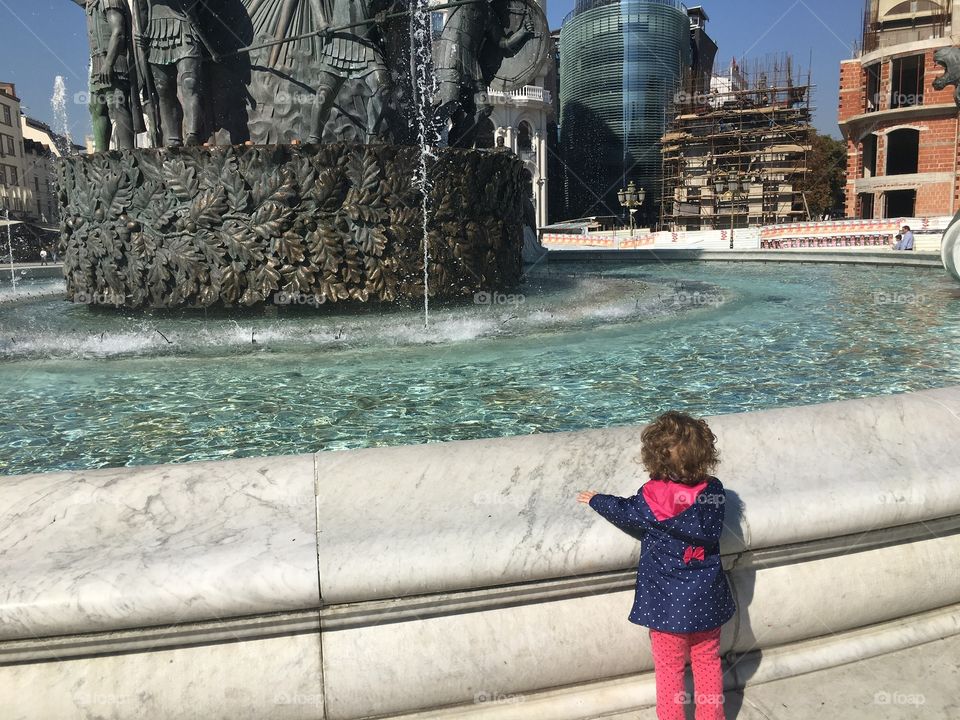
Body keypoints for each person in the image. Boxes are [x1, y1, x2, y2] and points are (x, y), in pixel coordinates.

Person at [576, 411, 735, 720]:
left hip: (666, 608)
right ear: (705, 456)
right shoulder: (714, 493)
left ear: (654, 460)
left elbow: (624, 512)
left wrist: (597, 500)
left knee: (669, 671)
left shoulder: (651, 498)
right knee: (707, 663)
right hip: (707, 601)